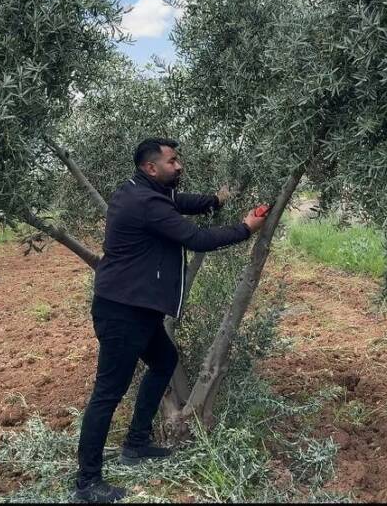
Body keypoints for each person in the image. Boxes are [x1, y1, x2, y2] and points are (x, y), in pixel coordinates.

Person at [73, 137, 267, 503]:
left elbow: (181, 201)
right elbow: (196, 238)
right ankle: (87, 483)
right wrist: (244, 229)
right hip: (123, 312)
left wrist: (214, 201)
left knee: (164, 362)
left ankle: (136, 444)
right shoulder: (146, 202)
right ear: (151, 168)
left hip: (136, 308)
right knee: (107, 393)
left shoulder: (143, 190)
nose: (179, 166)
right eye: (172, 161)